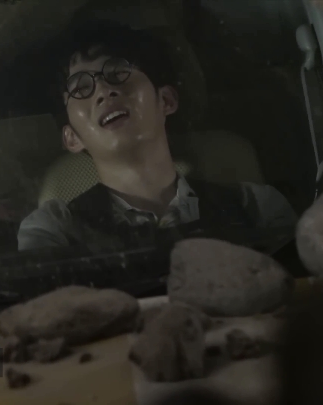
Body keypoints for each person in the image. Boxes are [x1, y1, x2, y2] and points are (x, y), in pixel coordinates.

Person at [18, 22, 298, 252]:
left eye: (118, 72)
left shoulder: (255, 208)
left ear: (166, 100)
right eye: (80, 88)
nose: (103, 90)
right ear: (71, 138)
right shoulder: (55, 230)